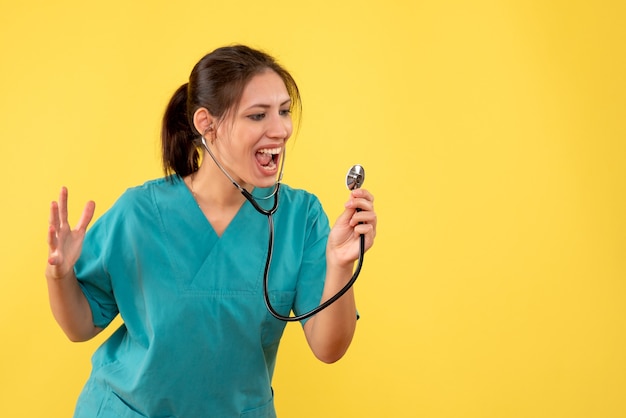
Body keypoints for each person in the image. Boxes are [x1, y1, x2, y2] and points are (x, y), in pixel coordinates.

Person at [45, 44, 377, 417]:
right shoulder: (139, 213)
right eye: (258, 116)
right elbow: (80, 326)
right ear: (207, 124)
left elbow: (328, 348)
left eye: (284, 111)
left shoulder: (301, 218)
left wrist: (340, 264)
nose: (281, 129)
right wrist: (59, 275)